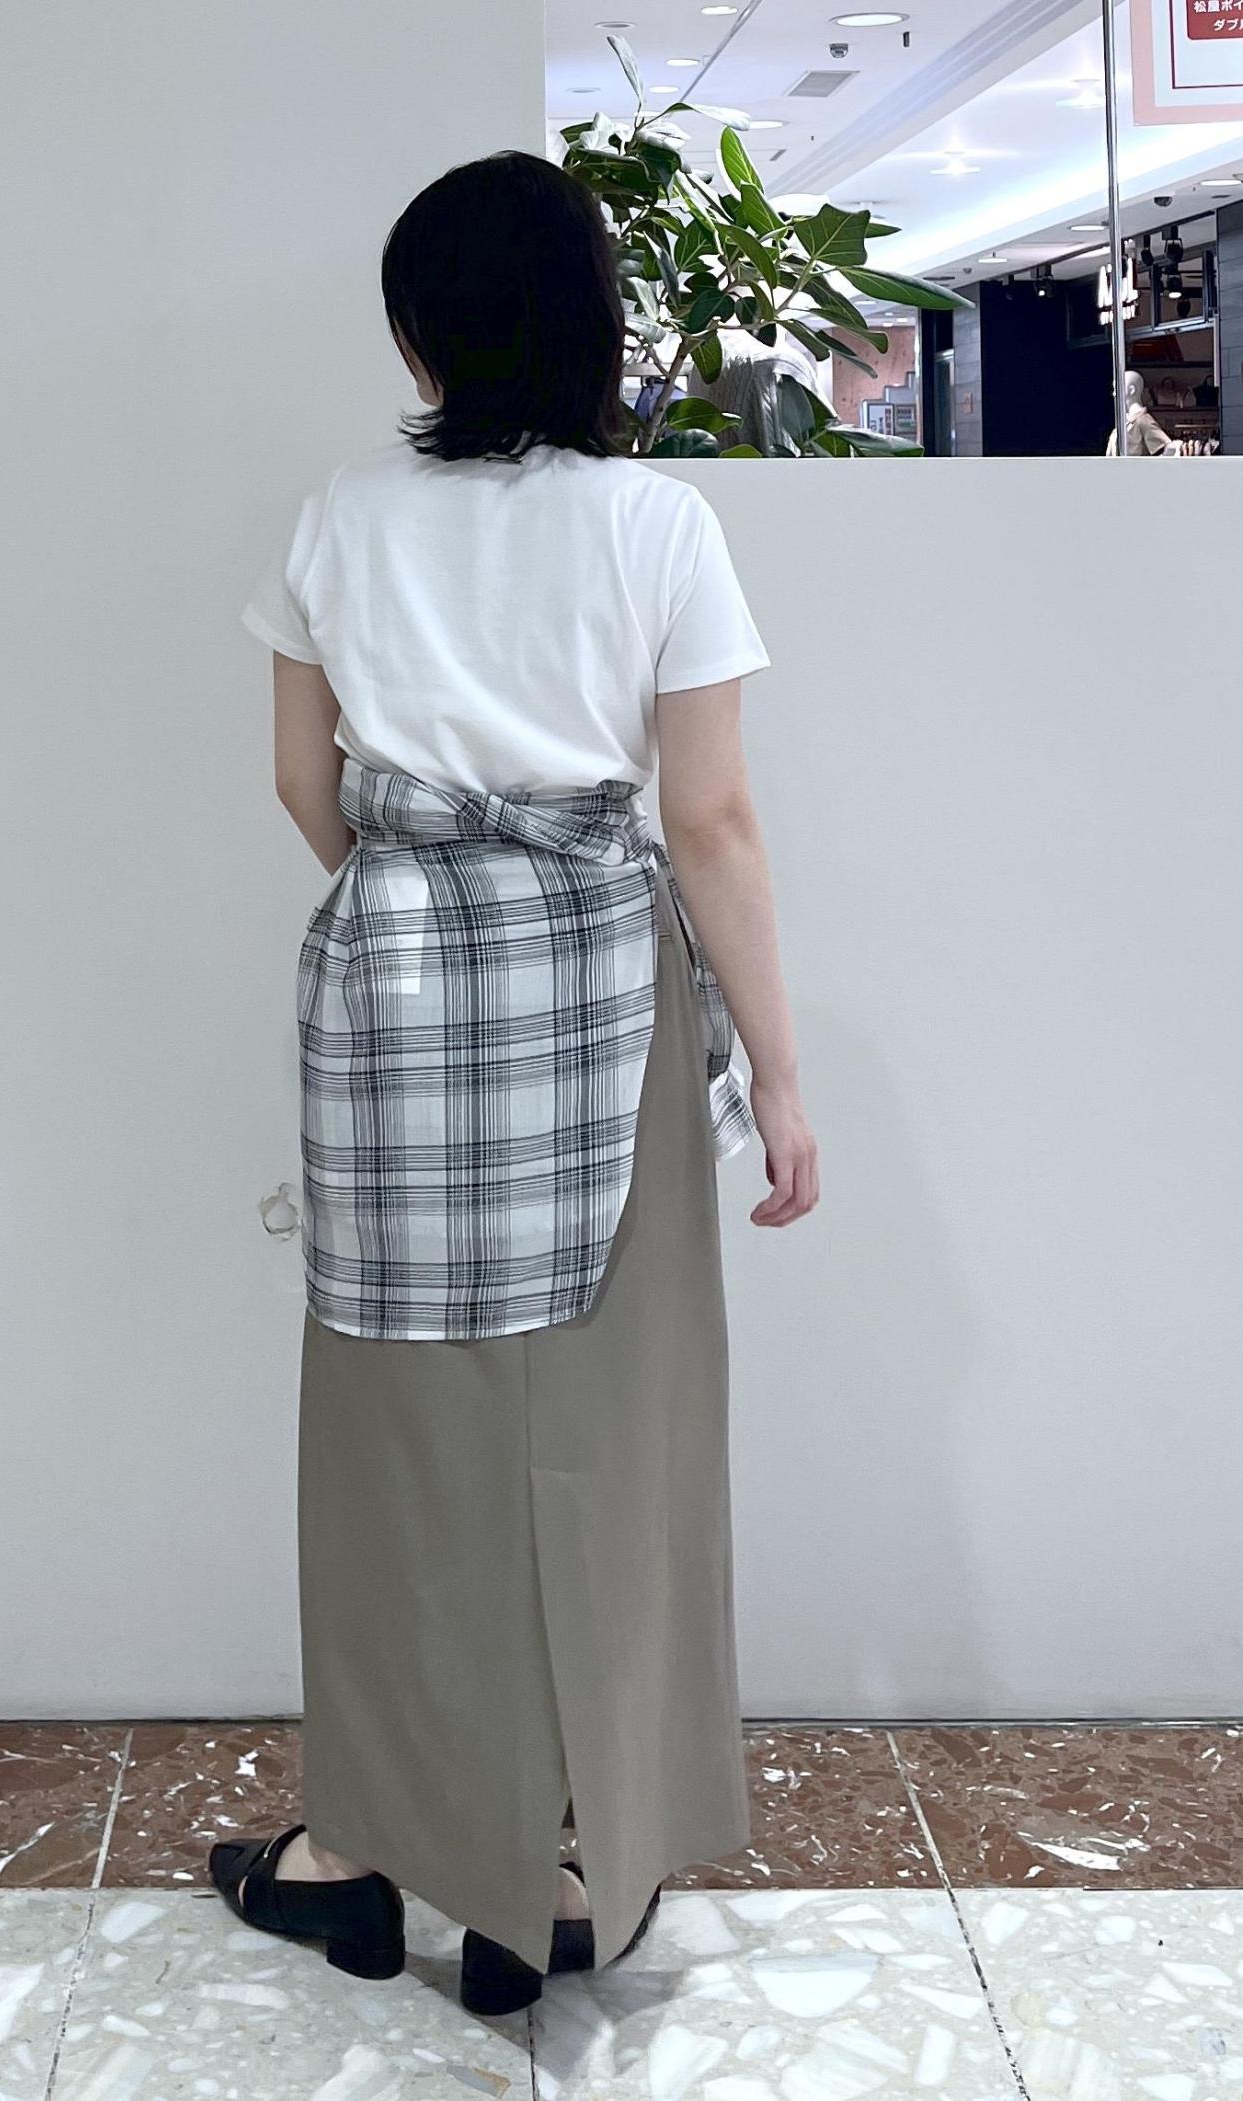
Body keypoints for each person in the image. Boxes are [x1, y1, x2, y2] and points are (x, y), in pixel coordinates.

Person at [218, 147, 819, 2014]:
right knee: (607, 1428)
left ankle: (358, 1853)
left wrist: (427, 910)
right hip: (605, 1004)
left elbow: (304, 779)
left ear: (423, 335)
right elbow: (709, 823)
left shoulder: (339, 515)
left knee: (398, 1435)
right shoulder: (657, 523)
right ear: (591, 326)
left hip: (391, 1003)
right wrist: (781, 1078)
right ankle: (562, 1867)